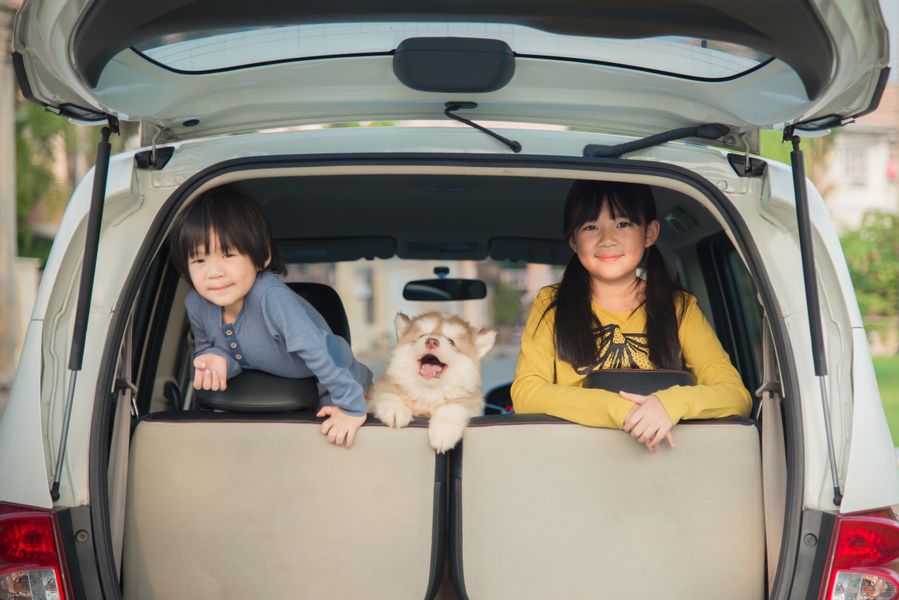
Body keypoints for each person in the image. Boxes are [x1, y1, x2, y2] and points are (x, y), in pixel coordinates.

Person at [511, 180, 751, 451]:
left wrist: (669, 404)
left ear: (650, 233)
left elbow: (736, 396)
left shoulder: (679, 307)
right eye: (590, 227)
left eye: (623, 224)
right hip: (575, 459)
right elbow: (526, 394)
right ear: (574, 242)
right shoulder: (551, 303)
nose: (607, 239)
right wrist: (621, 411)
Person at [169, 187, 372, 448]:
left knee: (333, 439)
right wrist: (216, 359)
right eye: (198, 260)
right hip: (282, 369)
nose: (213, 272)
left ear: (261, 256)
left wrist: (351, 406)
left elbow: (318, 349)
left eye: (228, 255)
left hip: (335, 368)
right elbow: (209, 347)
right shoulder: (196, 304)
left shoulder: (271, 297)